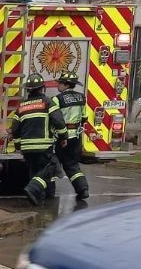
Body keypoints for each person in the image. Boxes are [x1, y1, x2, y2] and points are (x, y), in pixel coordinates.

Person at [10, 72, 66, 206]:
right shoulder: (48, 103)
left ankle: (39, 198)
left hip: (27, 148)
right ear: (42, 88)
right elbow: (58, 121)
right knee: (50, 167)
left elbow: (15, 129)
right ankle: (33, 188)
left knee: (34, 171)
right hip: (43, 146)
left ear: (28, 89)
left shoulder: (21, 107)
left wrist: (18, 147)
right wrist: (64, 137)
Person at [52, 70, 90, 200]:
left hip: (62, 137)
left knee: (52, 163)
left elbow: (55, 118)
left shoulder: (57, 99)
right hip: (76, 137)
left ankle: (46, 192)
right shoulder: (82, 98)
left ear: (66, 85)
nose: (58, 85)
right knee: (72, 165)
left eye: (60, 83)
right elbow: (85, 117)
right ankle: (83, 189)